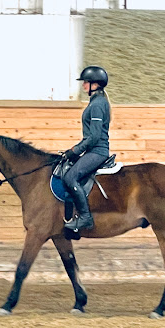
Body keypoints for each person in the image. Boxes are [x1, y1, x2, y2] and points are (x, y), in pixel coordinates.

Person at [62, 65, 111, 231]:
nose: (83, 85)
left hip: (98, 151)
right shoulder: (96, 102)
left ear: (95, 84)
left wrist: (75, 150)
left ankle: (85, 217)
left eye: (86, 82)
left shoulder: (97, 105)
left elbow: (94, 136)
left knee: (70, 178)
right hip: (92, 150)